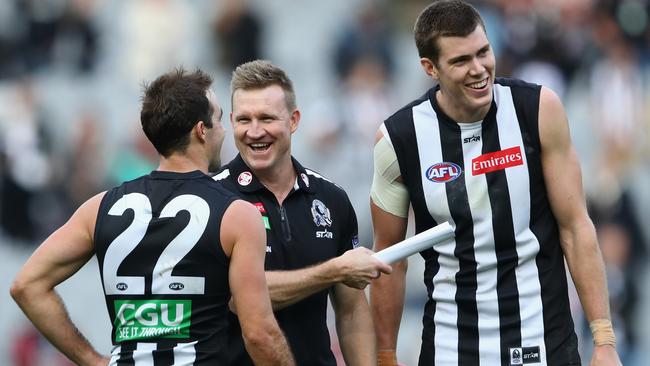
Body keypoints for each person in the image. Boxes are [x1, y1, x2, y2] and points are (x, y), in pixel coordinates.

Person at [369, 1, 622, 366]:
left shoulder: (537, 108)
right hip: (451, 347)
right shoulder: (398, 139)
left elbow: (576, 227)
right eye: (460, 61)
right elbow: (389, 257)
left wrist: (604, 340)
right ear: (430, 68)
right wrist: (386, 356)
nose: (478, 69)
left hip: (543, 340)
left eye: (483, 52)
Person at [10, 67, 295, 365]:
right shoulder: (238, 215)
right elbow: (260, 335)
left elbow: (27, 285)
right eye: (220, 119)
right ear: (201, 130)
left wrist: (92, 360)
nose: (224, 130)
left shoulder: (100, 208)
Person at [213, 60, 392, 366]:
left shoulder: (331, 199)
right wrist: (334, 270)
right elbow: (237, 298)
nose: (254, 132)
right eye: (244, 120)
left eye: (267, 118)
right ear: (231, 122)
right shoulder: (212, 200)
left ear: (293, 121)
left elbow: (350, 310)